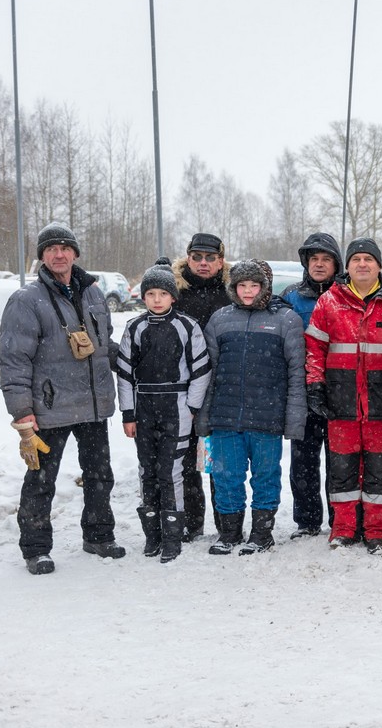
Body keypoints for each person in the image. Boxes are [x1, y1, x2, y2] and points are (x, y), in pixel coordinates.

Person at [0, 222, 124, 574]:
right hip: (49, 408)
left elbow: (102, 346)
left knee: (100, 475)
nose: (58, 254)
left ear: (75, 254)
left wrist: (137, 360)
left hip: (94, 405)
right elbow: (14, 360)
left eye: (64, 248)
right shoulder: (26, 300)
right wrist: (22, 412)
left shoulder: (95, 295)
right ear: (42, 256)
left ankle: (98, 535)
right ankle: (36, 548)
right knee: (41, 480)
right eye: (50, 248)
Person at [306, 239, 382, 553]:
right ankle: (344, 530)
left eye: (368, 259)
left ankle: (375, 532)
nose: (362, 264)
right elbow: (315, 349)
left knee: (380, 471)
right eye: (356, 259)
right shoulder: (329, 303)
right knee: (342, 470)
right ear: (347, 266)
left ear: (378, 266)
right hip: (340, 402)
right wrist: (315, 385)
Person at [201, 260, 307, 555]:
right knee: (226, 476)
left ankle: (262, 532)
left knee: (265, 476)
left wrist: (294, 418)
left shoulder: (286, 320)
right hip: (226, 416)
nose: (248, 291)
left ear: (265, 287)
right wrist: (205, 414)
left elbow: (297, 371)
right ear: (233, 288)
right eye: (242, 285)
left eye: (254, 285)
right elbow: (209, 371)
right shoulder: (220, 319)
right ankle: (230, 532)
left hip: (267, 416)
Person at [114, 258, 211, 563]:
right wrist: (128, 414)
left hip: (176, 403)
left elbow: (201, 370)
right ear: (143, 297)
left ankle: (172, 535)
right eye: (151, 294)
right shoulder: (134, 327)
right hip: (144, 405)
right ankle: (152, 534)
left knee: (172, 471)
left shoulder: (187, 326)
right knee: (148, 471)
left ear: (173, 296)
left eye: (163, 294)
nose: (157, 300)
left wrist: (192, 405)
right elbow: (125, 374)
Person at [281, 232, 343, 539]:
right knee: (303, 462)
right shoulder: (292, 296)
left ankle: (339, 519)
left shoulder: (346, 293)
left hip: (339, 390)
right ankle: (306, 521)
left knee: (338, 461)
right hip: (304, 392)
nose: (319, 265)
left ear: (336, 263)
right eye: (313, 259)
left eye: (325, 259)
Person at [172, 232, 231, 541]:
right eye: (197, 257)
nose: (204, 263)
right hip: (183, 388)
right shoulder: (174, 292)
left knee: (217, 459)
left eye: (210, 258)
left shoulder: (231, 292)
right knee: (185, 463)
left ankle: (226, 525)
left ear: (221, 261)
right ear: (188, 258)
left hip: (221, 389)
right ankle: (191, 523)